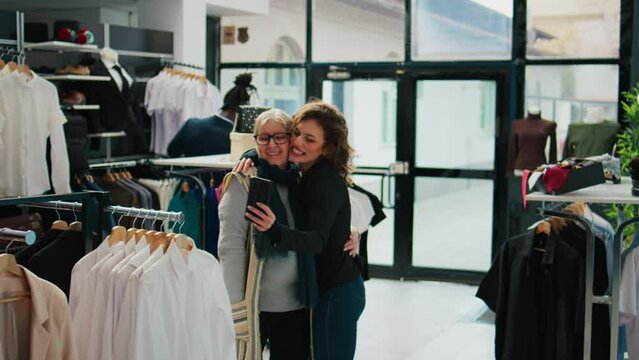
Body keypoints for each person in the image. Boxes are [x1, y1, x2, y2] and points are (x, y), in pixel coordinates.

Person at [218, 108, 358, 359]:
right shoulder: (244, 182)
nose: (272, 144)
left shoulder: (299, 179)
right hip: (258, 308)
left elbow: (321, 227)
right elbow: (230, 249)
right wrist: (236, 309)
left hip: (300, 307)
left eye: (280, 137)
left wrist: (348, 231)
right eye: (263, 137)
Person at [166, 72, 255, 158]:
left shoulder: (191, 124)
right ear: (241, 111)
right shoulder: (236, 139)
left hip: (184, 173)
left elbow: (171, 151)